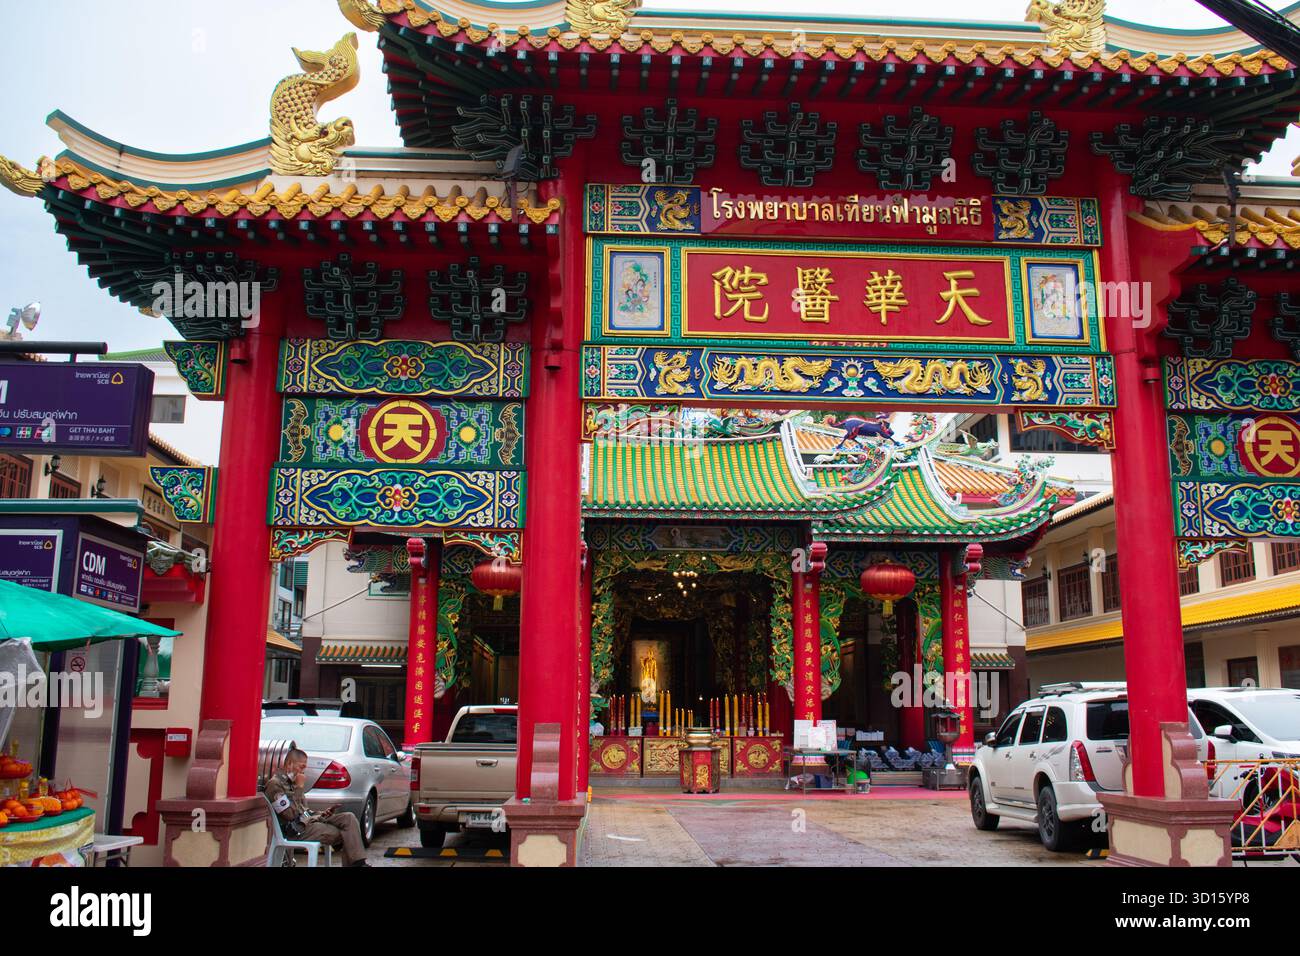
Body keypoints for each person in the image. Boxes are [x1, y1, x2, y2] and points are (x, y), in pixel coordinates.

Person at [264, 747, 368, 867]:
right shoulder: (275, 784)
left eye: (305, 767)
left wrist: (322, 814)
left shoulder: (292, 783)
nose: (303, 771)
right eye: (301, 767)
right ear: (289, 764)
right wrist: (299, 789)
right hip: (296, 830)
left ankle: (359, 863)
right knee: (347, 834)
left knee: (348, 818)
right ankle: (358, 864)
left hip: (308, 822)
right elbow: (290, 815)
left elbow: (305, 811)